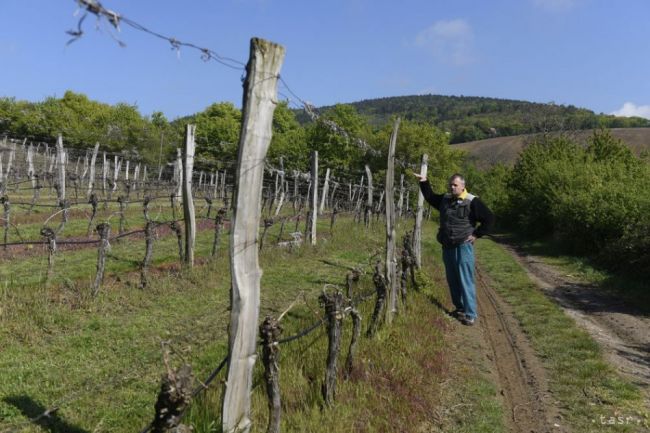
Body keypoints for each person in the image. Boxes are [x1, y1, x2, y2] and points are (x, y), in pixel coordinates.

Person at [414, 172, 494, 326]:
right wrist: (424, 182)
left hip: (464, 246)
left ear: (463, 186)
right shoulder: (445, 199)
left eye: (455, 185)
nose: (452, 187)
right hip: (447, 246)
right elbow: (430, 197)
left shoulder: (472, 201)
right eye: (451, 184)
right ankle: (460, 308)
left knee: (465, 280)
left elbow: (490, 218)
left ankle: (470, 314)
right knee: (452, 280)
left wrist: (477, 234)